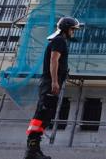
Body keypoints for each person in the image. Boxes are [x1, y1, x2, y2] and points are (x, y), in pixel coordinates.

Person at [24, 16, 81, 159]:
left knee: (44, 115)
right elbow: (53, 60)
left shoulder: (58, 40)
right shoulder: (59, 41)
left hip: (49, 82)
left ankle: (34, 150)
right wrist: (54, 82)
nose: (73, 32)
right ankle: (31, 151)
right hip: (50, 82)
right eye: (73, 29)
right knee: (42, 114)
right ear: (66, 29)